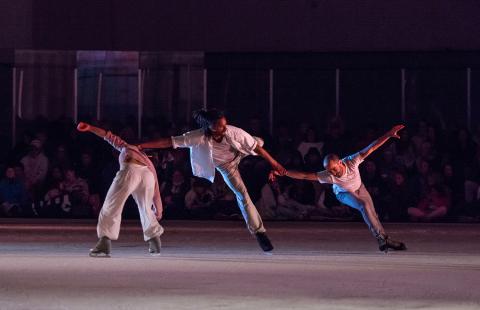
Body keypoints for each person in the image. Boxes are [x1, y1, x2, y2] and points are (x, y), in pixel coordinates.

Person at [138, 109, 286, 252]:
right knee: (242, 194)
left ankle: (255, 141)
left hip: (239, 152)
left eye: (224, 124)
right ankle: (259, 232)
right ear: (209, 126)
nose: (223, 128)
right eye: (219, 126)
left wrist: (275, 164)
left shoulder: (233, 131)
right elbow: (169, 142)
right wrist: (142, 146)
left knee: (259, 143)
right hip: (226, 166)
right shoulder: (197, 137)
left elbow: (258, 150)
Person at [271, 125, 407, 252]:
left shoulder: (352, 161)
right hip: (343, 193)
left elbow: (371, 148)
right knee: (363, 205)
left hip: (360, 188)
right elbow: (306, 176)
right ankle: (381, 239)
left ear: (340, 162)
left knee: (373, 214)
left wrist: (388, 135)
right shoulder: (328, 175)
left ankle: (385, 239)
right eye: (329, 171)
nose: (332, 173)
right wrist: (284, 172)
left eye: (334, 169)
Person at [76, 122, 164, 257]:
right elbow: (156, 184)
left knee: (111, 206)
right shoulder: (147, 159)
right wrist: (159, 207)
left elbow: (107, 135)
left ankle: (104, 243)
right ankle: (154, 240)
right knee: (146, 208)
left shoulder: (125, 147)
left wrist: (91, 128)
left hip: (130, 170)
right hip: (147, 176)